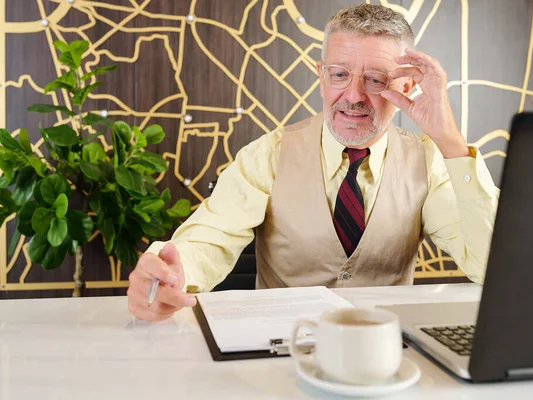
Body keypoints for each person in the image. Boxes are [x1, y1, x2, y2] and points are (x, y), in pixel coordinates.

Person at [127, 4, 499, 321]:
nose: (353, 96)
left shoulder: (430, 162)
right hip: (279, 353)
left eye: (374, 80)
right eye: (339, 75)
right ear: (321, 76)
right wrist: (170, 272)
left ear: (405, 87)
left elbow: (490, 267)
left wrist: (450, 140)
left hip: (385, 356)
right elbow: (209, 240)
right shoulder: (267, 156)